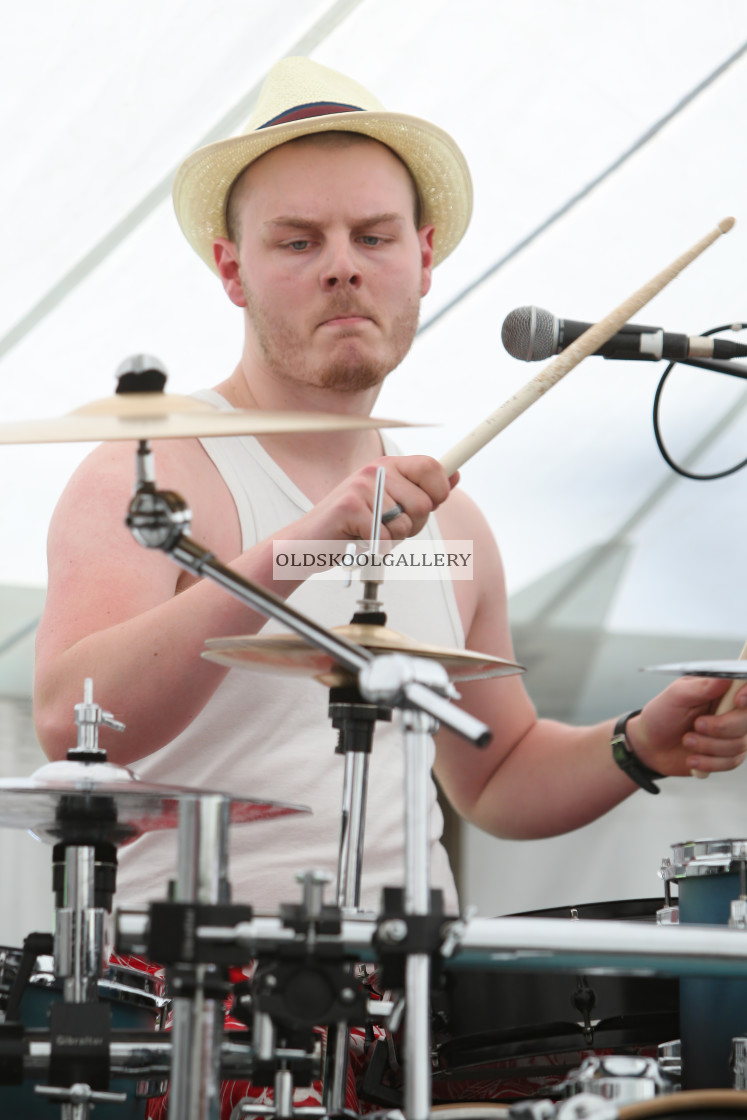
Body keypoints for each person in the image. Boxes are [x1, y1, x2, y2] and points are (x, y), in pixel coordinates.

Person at [34, 56, 747, 922]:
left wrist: (639, 744)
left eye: (372, 237)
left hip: (407, 1011)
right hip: (196, 1015)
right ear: (231, 269)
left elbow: (495, 774)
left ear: (423, 258)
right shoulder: (155, 473)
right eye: (299, 241)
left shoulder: (455, 525)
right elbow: (76, 724)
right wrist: (306, 544)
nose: (343, 267)